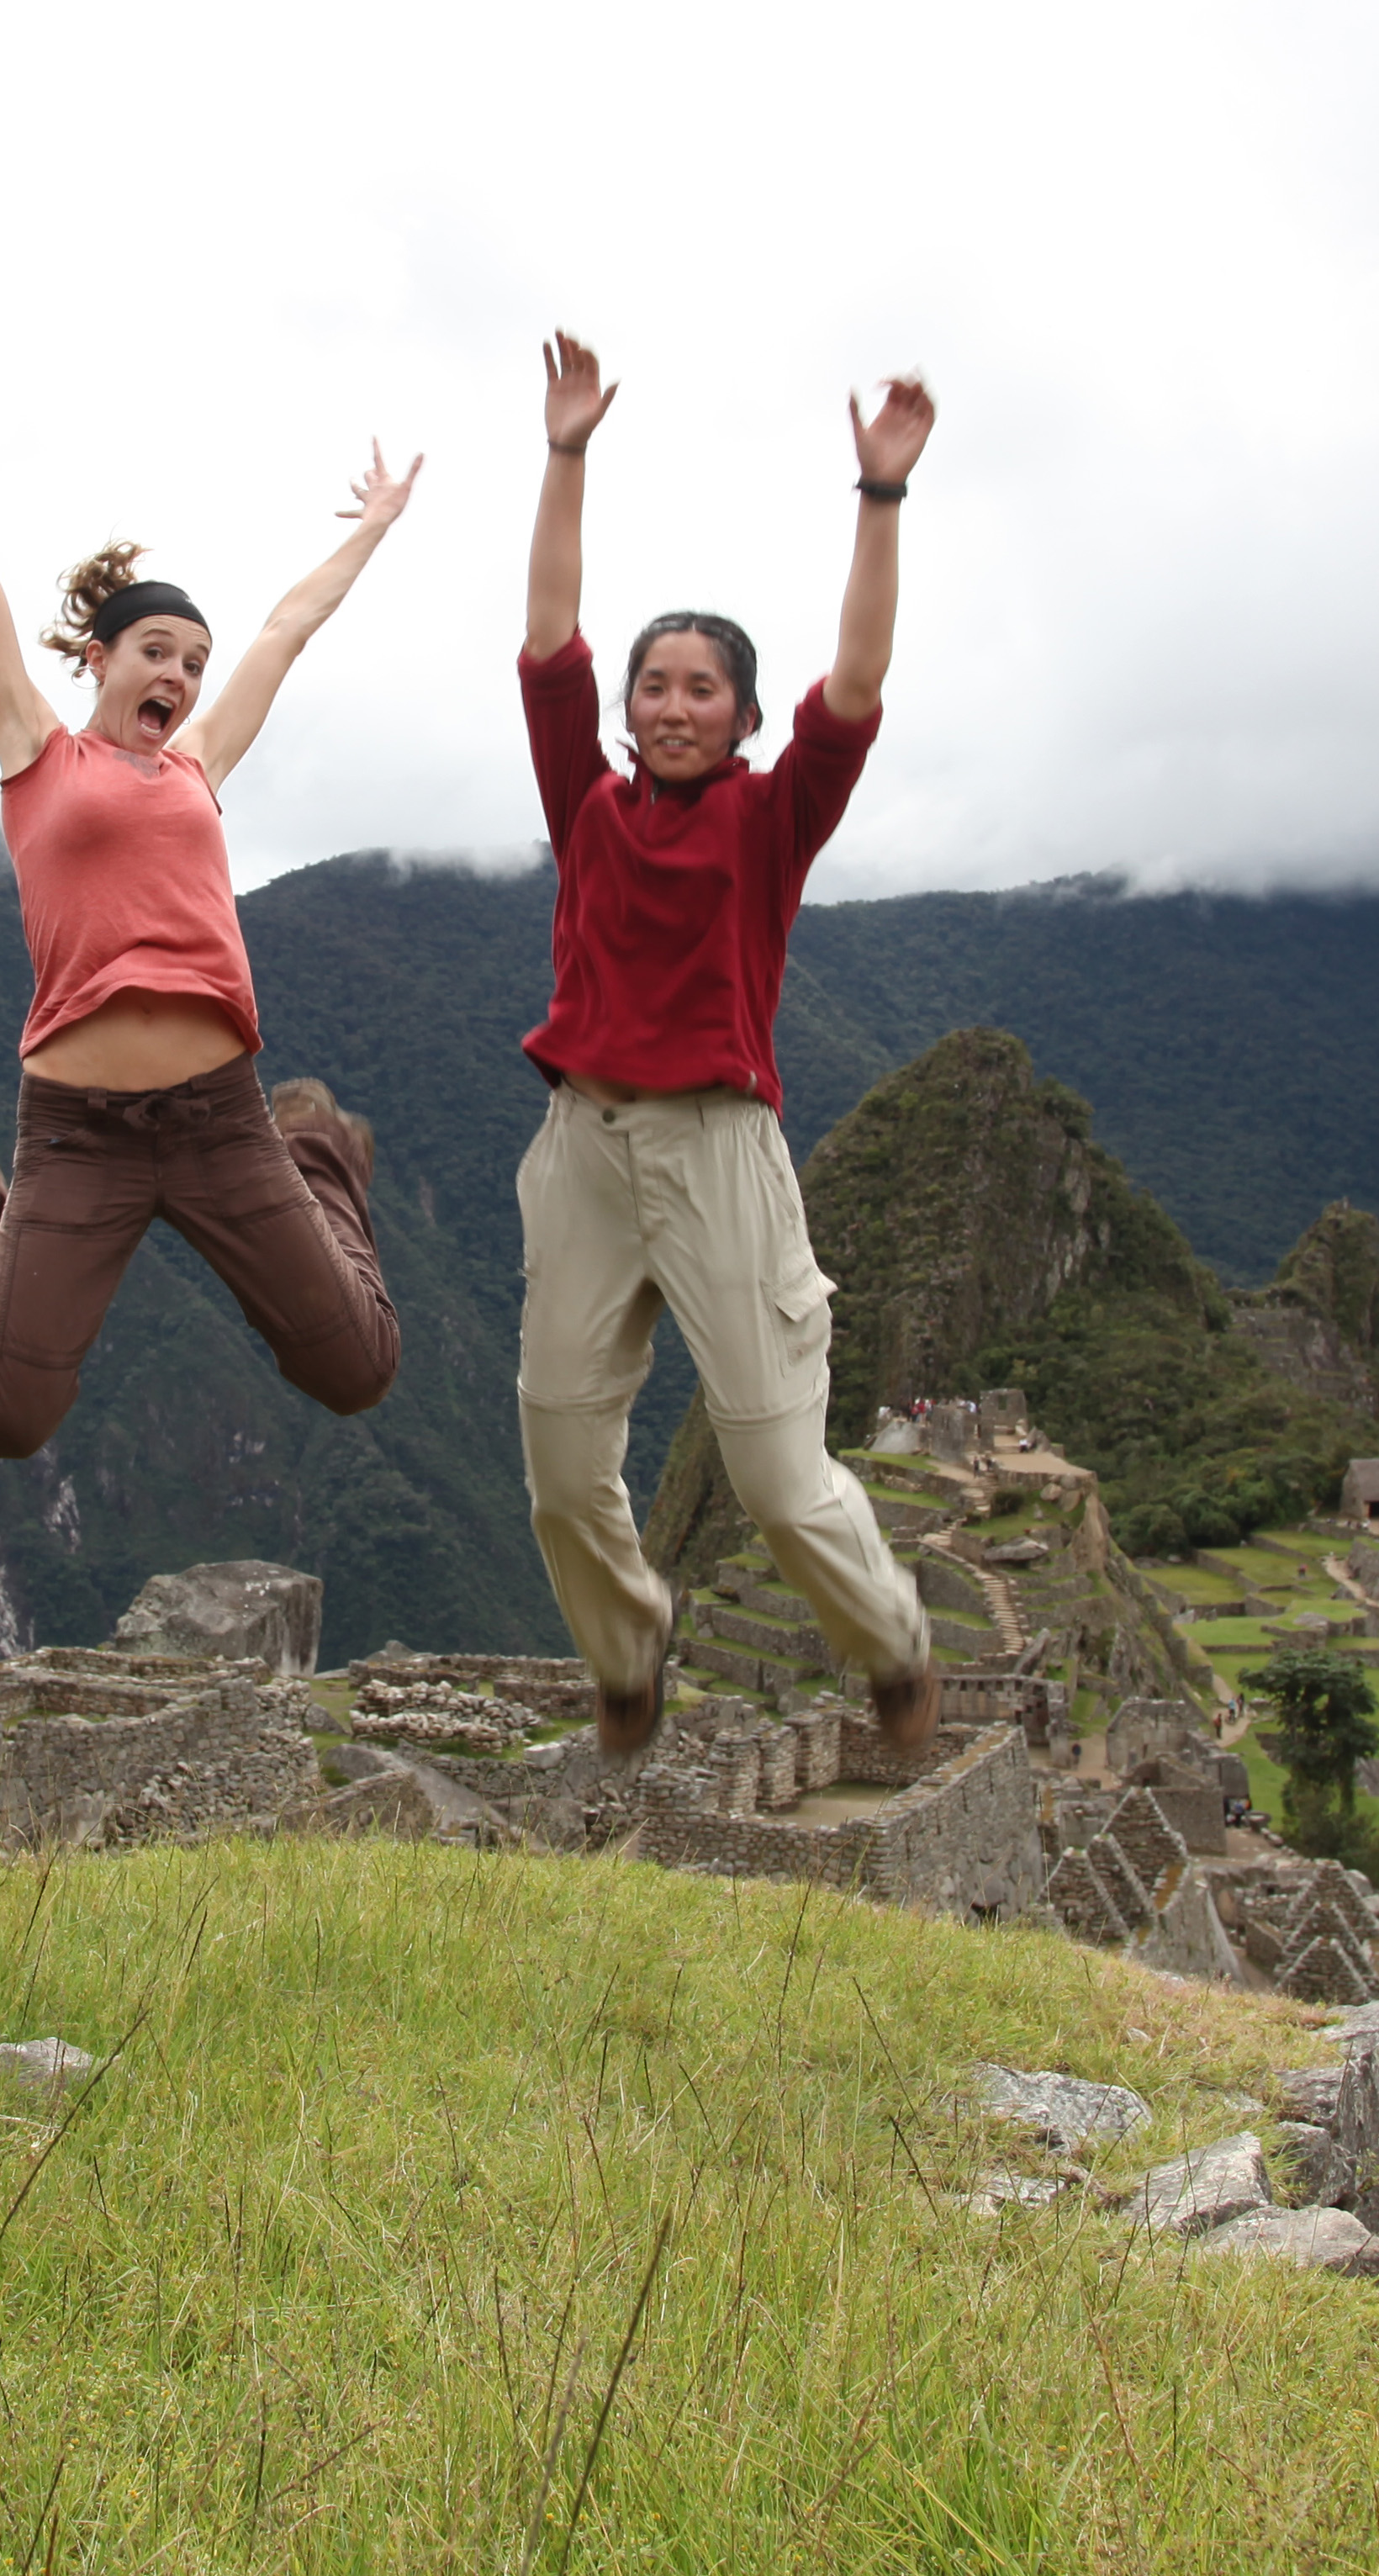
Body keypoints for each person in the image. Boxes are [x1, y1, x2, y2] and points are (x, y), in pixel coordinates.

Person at [0, 294, 405, 1454]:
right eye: (157, 652)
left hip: (223, 1116)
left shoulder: (198, 764)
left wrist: (374, 526)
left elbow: (287, 629)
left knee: (358, 1368)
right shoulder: (37, 756)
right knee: (0, 1415)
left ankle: (315, 1146)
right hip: (78, 1134)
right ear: (99, 659)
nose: (181, 677)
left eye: (194, 663)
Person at [510, 329, 938, 1757]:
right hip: (582, 1146)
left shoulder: (772, 817)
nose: (674, 706)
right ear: (628, 712)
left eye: (703, 690)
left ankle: (892, 1643)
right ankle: (626, 1649)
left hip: (719, 1151)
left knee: (772, 1469)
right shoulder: (587, 804)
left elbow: (858, 678)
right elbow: (550, 637)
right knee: (561, 1452)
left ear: (745, 718)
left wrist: (880, 497)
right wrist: (565, 454)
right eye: (656, 686)